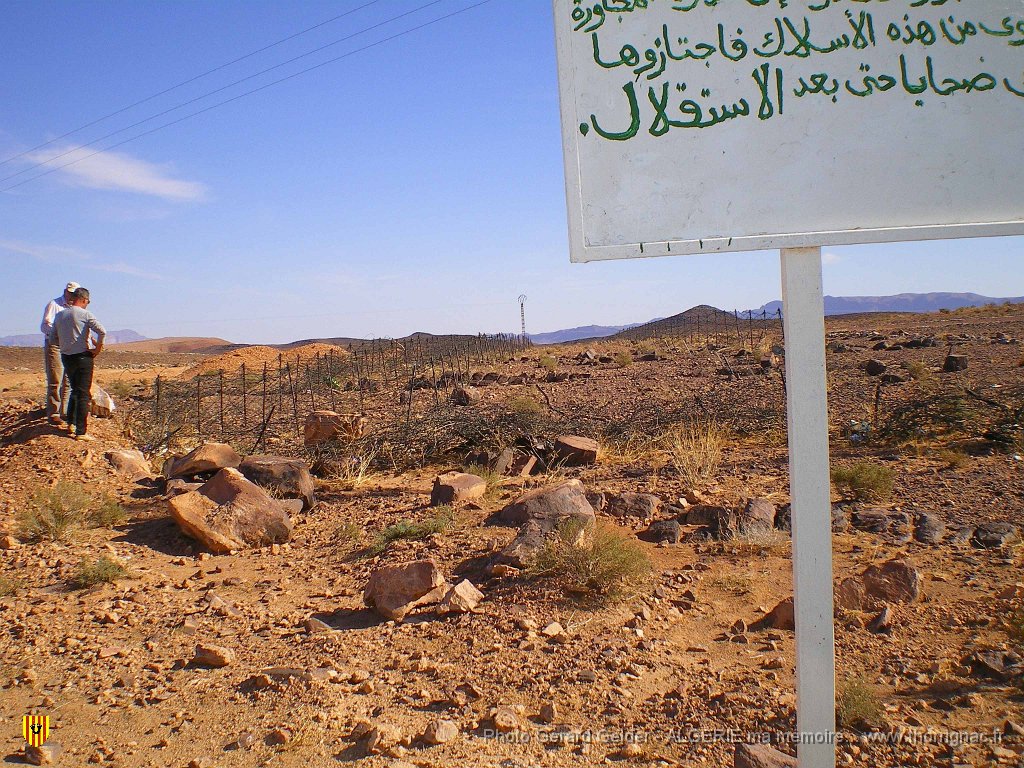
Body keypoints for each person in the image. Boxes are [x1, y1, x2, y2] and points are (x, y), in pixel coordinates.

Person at [48, 287, 106, 442]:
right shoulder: (85, 314)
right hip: (83, 357)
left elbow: (53, 338)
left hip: (66, 357)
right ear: (84, 299)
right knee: (83, 394)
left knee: (75, 389)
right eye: (88, 301)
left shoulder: (59, 315)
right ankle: (81, 431)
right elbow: (102, 331)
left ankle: (71, 424)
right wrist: (97, 349)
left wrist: (66, 344)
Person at [40, 281, 79, 423]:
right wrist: (56, 334)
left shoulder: (75, 308)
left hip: (69, 345)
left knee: (68, 379)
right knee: (55, 378)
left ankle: (65, 411)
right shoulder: (54, 305)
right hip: (55, 344)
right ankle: (53, 413)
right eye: (70, 292)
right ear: (65, 291)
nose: (71, 295)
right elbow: (45, 325)